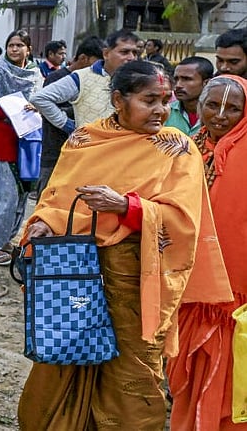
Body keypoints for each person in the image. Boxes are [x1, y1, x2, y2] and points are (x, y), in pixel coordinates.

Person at [17, 60, 228, 429]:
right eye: (149, 100)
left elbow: (183, 223)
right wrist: (43, 224)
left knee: (132, 373)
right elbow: (56, 199)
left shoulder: (177, 149)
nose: (161, 109)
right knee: (63, 358)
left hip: (137, 282)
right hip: (74, 273)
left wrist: (126, 207)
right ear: (118, 100)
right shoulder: (84, 140)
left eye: (165, 100)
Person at [167, 75, 247, 430]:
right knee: (188, 368)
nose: (221, 115)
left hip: (235, 291)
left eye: (233, 109)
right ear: (199, 106)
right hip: (190, 283)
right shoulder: (187, 148)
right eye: (213, 105)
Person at [0, 30, 43, 264]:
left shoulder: (36, 74)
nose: (14, 49)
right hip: (5, 140)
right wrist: (14, 108)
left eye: (19, 45)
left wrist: (34, 108)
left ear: (28, 49)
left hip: (30, 141)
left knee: (21, 195)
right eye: (11, 45)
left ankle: (4, 239)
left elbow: (42, 101)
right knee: (3, 196)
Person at [30, 29, 139, 135]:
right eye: (124, 52)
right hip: (90, 145)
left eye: (135, 53)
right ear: (106, 54)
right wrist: (68, 125)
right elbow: (40, 98)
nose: (131, 58)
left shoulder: (140, 80)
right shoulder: (82, 78)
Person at [38, 35, 106, 198]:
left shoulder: (96, 80)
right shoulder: (57, 78)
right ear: (83, 58)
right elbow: (44, 105)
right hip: (55, 150)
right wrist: (70, 122)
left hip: (81, 153)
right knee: (48, 196)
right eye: (97, 63)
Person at [166, 56, 214, 136]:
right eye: (176, 79)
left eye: (186, 79)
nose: (178, 85)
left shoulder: (217, 116)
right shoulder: (165, 112)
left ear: (206, 83)